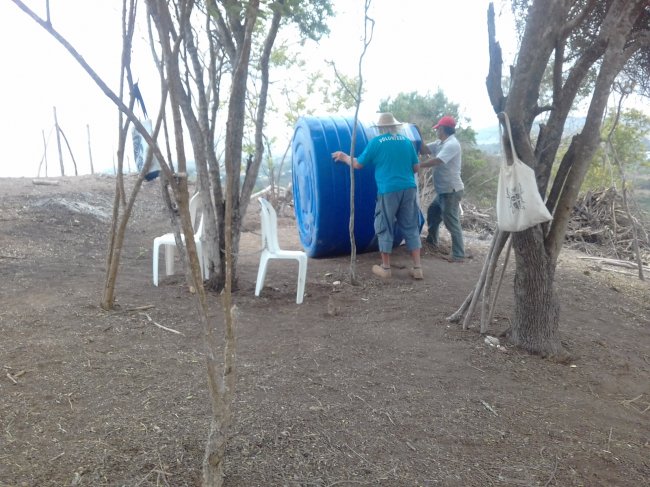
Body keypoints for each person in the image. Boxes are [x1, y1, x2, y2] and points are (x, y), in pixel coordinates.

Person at [331, 112, 423, 280]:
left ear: (381, 129)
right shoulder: (406, 142)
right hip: (409, 188)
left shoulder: (376, 142)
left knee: (384, 225)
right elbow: (416, 167)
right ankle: (417, 268)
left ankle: (386, 268)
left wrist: (344, 157)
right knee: (410, 225)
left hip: (388, 190)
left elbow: (358, 164)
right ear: (395, 127)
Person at [419, 115, 465, 262]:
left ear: (443, 129)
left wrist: (419, 166)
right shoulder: (440, 142)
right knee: (433, 212)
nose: (436, 131)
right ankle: (432, 241)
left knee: (451, 221)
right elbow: (424, 149)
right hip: (443, 190)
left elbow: (438, 160)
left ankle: (458, 254)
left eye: (438, 129)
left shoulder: (452, 144)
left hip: (450, 190)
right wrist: (417, 133)